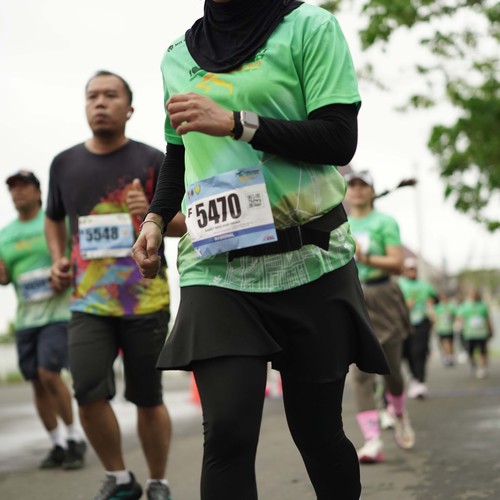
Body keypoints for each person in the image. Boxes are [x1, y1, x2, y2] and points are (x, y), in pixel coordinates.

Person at [132, 2, 389, 499]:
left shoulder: (310, 27)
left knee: (317, 432)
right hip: (218, 266)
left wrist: (237, 122)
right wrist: (155, 219)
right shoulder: (177, 56)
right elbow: (178, 152)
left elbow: (340, 139)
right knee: (227, 431)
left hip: (311, 257)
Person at [44, 70, 185, 500]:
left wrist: (152, 213)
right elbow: (54, 218)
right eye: (92, 96)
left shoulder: (153, 159)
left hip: (145, 297)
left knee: (147, 397)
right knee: (86, 390)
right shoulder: (64, 163)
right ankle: (120, 478)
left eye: (110, 95)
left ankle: (158, 482)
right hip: (88, 301)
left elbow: (185, 222)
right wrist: (58, 259)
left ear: (130, 108)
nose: (100, 103)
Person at [0, 170, 87, 470]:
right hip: (26, 318)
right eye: (12, 188)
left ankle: (74, 438)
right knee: (37, 383)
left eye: (24, 186)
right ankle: (57, 444)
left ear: (39, 192)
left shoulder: (54, 222)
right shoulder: (5, 234)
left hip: (58, 313)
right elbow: (5, 277)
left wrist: (66, 273)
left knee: (49, 373)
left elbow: (77, 256)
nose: (18, 192)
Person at [344, 170, 415, 464]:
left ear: (372, 191)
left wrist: (366, 258)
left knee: (391, 369)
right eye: (352, 185)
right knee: (359, 372)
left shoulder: (385, 222)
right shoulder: (341, 224)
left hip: (383, 294)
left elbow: (397, 263)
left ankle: (398, 412)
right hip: (352, 296)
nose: (357, 189)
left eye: (363, 185)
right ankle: (372, 439)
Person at [399, 257, 437, 399]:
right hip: (405, 323)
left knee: (419, 352)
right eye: (409, 269)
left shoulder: (424, 285)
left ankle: (420, 381)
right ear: (404, 270)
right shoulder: (400, 284)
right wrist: (404, 305)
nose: (412, 271)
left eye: (414, 269)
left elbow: (435, 299)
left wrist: (432, 302)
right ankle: (415, 378)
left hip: (422, 321)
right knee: (408, 353)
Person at [456, 288, 494, 379]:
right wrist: (458, 325)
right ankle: (473, 365)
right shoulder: (465, 306)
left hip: (481, 333)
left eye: (475, 294)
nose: (473, 296)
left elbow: (487, 319)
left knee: (483, 351)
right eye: (472, 294)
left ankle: (483, 368)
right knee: (470, 352)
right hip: (469, 334)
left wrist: (490, 329)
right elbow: (460, 317)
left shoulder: (483, 306)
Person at [432, 291, 458, 366]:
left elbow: (456, 315)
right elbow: (435, 317)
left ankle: (450, 356)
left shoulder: (451, 306)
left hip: (449, 328)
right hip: (441, 328)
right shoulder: (438, 307)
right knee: (443, 343)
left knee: (449, 342)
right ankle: (446, 356)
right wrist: (434, 326)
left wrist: (456, 323)